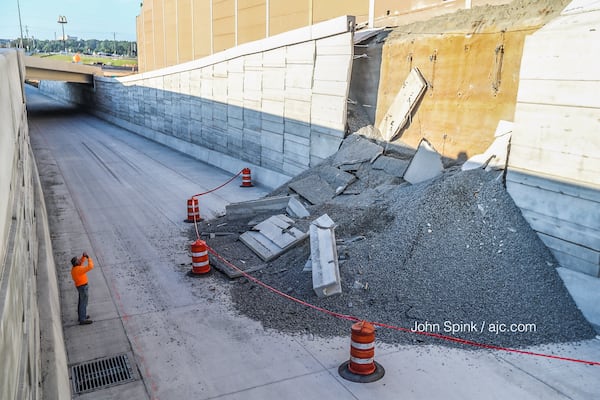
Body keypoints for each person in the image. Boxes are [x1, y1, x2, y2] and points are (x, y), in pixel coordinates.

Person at [71, 252, 94, 325]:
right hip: (83, 287)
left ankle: (81, 316)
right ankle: (82, 319)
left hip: (80, 287)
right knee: (83, 303)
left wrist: (83, 257)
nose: (79, 260)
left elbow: (81, 262)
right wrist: (88, 258)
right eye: (78, 260)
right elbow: (90, 266)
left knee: (81, 302)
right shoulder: (79, 270)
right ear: (76, 263)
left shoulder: (74, 269)